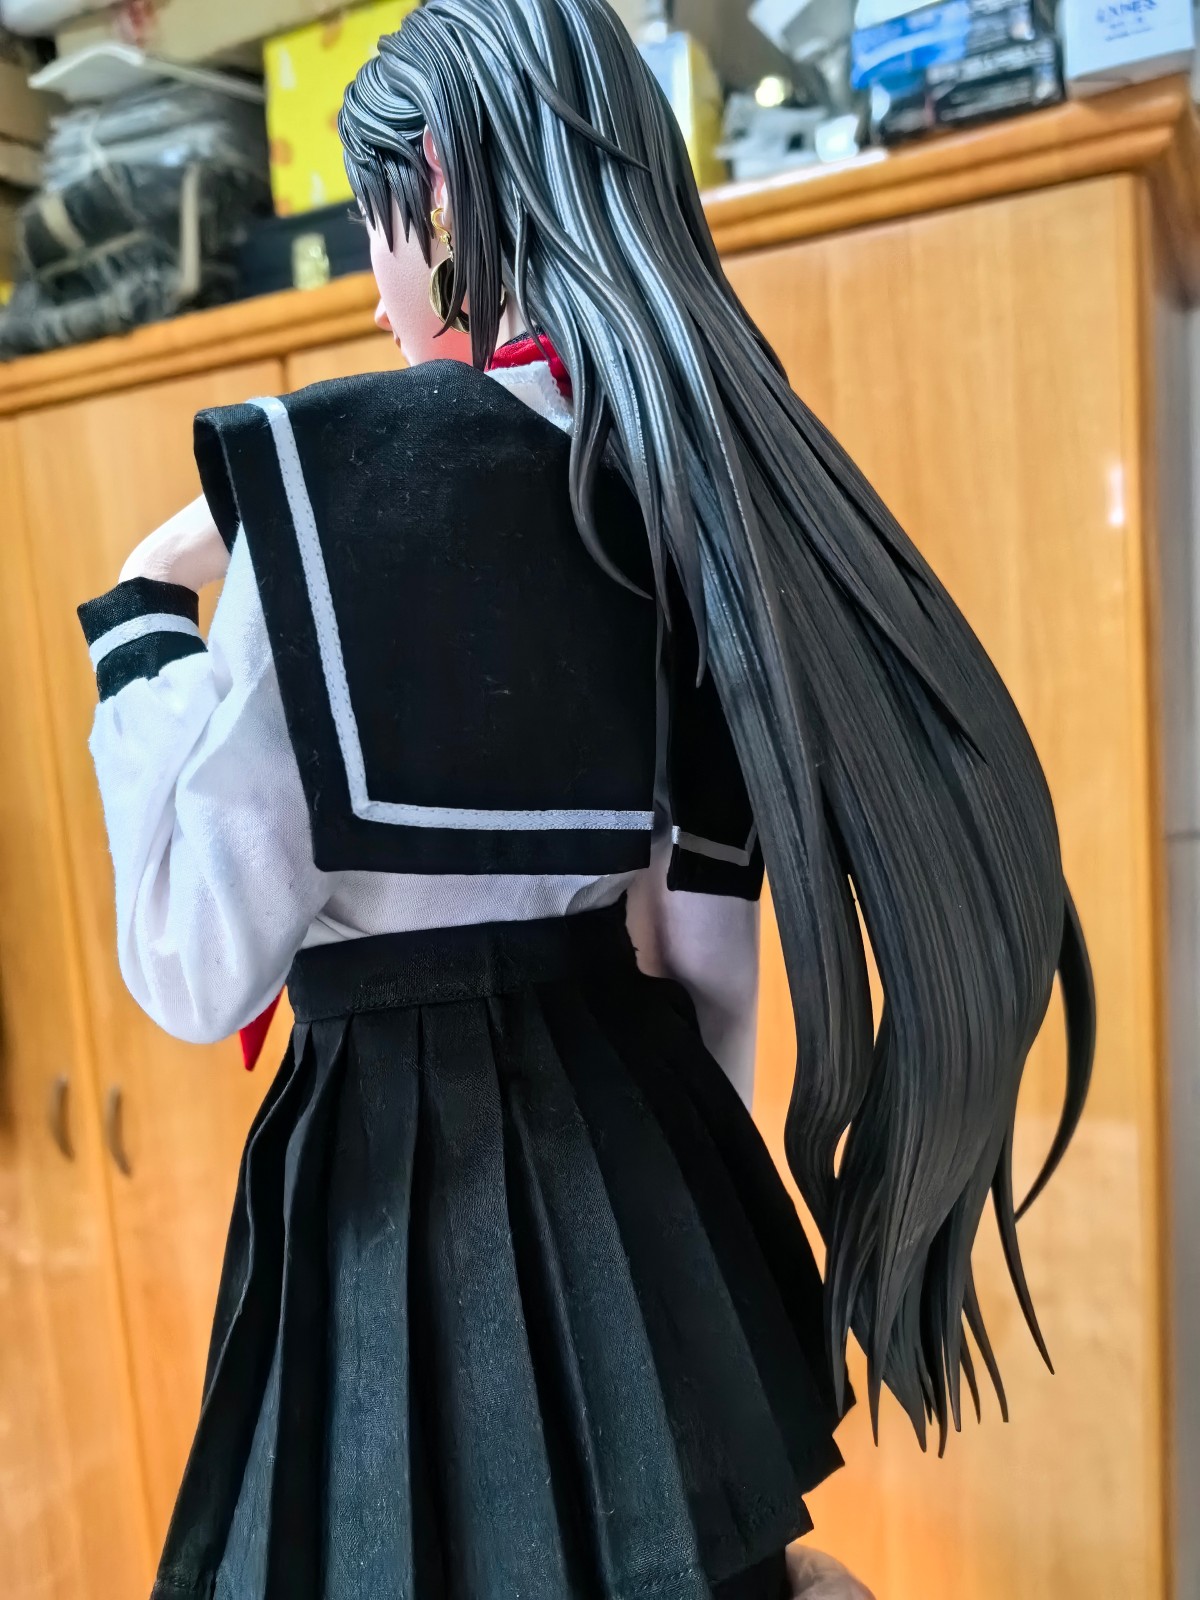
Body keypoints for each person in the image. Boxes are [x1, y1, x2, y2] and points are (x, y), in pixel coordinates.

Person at [75, 2, 1094, 1596]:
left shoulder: (326, 493)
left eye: (377, 225)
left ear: (436, 195)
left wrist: (146, 613)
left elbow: (195, 962)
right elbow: (701, 967)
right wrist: (682, 1239)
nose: (375, 288)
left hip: (393, 1182)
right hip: (629, 1152)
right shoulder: (678, 492)